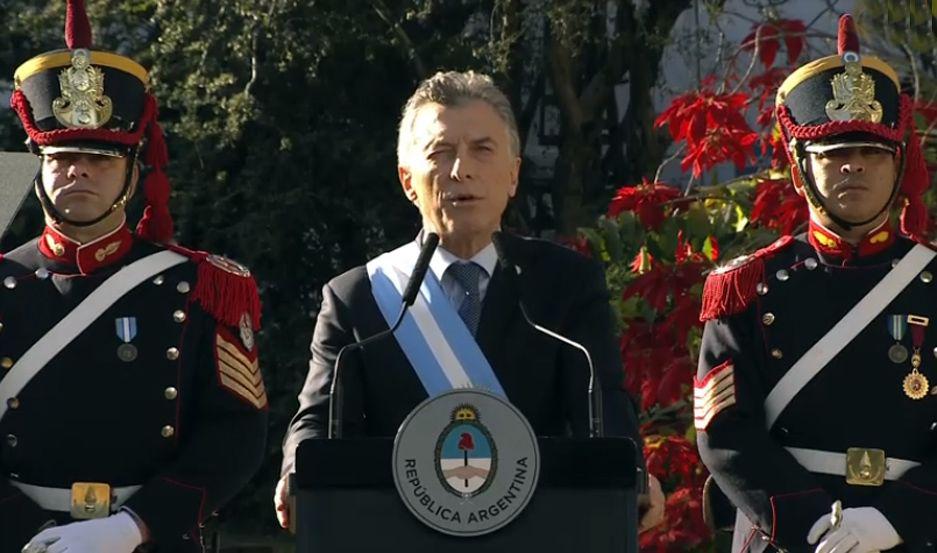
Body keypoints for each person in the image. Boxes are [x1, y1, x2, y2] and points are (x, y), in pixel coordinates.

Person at [276, 70, 664, 532]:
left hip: (536, 532)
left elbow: (604, 404)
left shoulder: (565, 284)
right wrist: (296, 476)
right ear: (407, 180)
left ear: (513, 175)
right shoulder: (359, 296)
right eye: (440, 152)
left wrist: (631, 476)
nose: (461, 169)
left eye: (482, 149)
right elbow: (317, 419)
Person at [1, 1, 268, 551]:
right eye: (61, 157)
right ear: (38, 168)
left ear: (132, 172)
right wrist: (29, 533)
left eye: (101, 158)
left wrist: (134, 526)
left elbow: (236, 431)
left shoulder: (199, 286)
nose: (79, 170)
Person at [695, 14, 935, 553]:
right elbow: (725, 433)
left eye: (872, 153)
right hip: (790, 536)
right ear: (801, 170)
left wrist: (898, 519)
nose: (854, 167)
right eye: (835, 154)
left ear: (898, 165)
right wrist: (813, 526)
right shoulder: (747, 288)